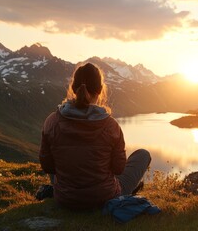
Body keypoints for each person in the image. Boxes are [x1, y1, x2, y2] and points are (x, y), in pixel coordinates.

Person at [38, 63, 151, 210]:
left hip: (66, 199)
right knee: (143, 154)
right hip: (105, 198)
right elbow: (118, 169)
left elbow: (48, 167)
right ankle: (124, 194)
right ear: (100, 90)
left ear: (73, 88)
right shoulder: (111, 125)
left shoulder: (52, 121)